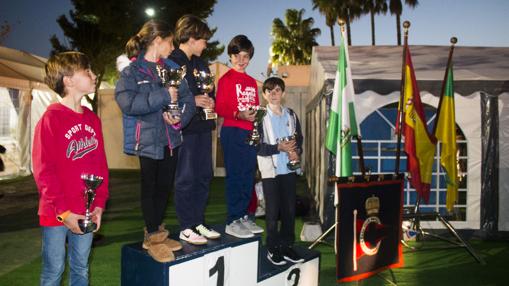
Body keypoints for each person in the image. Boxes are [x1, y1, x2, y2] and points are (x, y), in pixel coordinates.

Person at [115, 20, 195, 262]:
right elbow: (127, 103)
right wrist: (162, 96)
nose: (172, 48)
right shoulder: (131, 71)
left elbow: (188, 100)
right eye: (170, 42)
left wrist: (178, 117)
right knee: (150, 187)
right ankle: (151, 236)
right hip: (147, 140)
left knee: (164, 187)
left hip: (171, 138)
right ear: (157, 40)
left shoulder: (172, 67)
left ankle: (157, 232)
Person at [32, 51, 110, 285]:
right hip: (57, 213)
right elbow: (43, 171)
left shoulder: (92, 119)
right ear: (68, 80)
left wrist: (99, 205)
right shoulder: (51, 118)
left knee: (81, 269)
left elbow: (101, 167)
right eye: (87, 71)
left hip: (86, 211)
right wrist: (64, 213)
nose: (94, 75)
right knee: (53, 271)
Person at [169, 14, 219, 245]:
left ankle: (198, 221)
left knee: (203, 176)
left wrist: (209, 101)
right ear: (191, 37)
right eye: (203, 39)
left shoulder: (201, 63)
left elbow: (209, 92)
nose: (206, 44)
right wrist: (194, 101)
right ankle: (186, 226)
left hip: (203, 126)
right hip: (184, 129)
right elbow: (169, 98)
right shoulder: (173, 61)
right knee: (186, 178)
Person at [216, 35, 264, 238]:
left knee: (247, 176)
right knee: (235, 177)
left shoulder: (252, 82)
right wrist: (238, 114)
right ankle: (232, 220)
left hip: (249, 132)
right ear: (230, 56)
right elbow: (220, 107)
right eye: (237, 55)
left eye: (245, 56)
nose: (241, 60)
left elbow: (253, 108)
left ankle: (244, 216)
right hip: (232, 131)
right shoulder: (225, 79)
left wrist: (256, 117)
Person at [256, 77, 304, 265]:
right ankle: (273, 247)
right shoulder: (260, 116)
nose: (274, 94)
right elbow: (257, 147)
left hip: (289, 170)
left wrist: (296, 151)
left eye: (277, 90)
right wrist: (279, 148)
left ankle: (287, 246)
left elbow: (299, 139)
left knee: (289, 210)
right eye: (270, 91)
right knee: (273, 211)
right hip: (270, 171)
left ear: (283, 93)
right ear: (264, 94)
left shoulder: (291, 114)